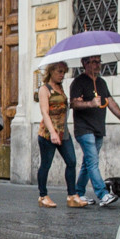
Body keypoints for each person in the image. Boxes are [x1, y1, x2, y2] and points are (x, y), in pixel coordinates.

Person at [70, 55, 120, 206]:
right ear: (85, 63)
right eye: (94, 62)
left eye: (99, 62)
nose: (98, 65)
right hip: (84, 129)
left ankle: (78, 193)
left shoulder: (101, 83)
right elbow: (74, 104)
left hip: (98, 128)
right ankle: (103, 194)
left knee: (88, 163)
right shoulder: (78, 82)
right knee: (92, 162)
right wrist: (91, 103)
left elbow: (111, 102)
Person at [36, 61, 86, 208]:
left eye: (64, 72)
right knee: (46, 164)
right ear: (51, 71)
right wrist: (52, 132)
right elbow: (45, 112)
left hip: (63, 132)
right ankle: (42, 196)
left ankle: (72, 195)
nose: (62, 75)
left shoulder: (61, 87)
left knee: (71, 161)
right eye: (59, 71)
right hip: (47, 133)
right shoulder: (45, 89)